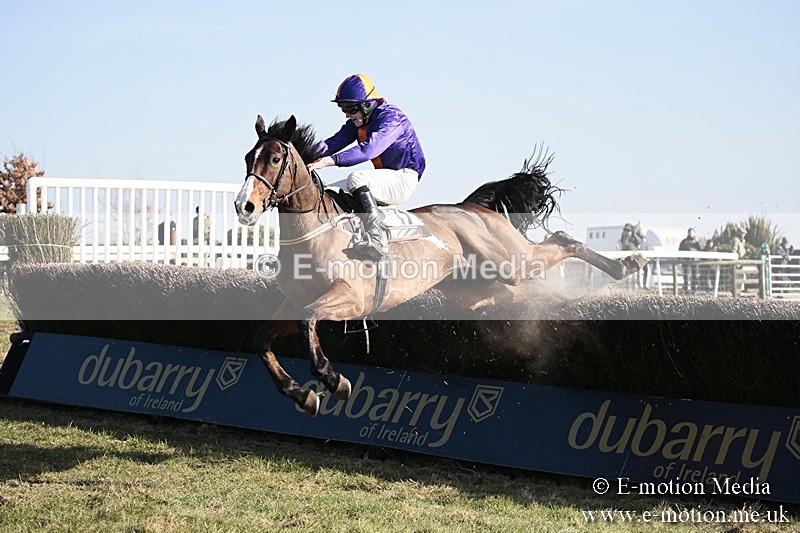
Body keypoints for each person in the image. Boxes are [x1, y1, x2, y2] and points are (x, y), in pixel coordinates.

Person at [307, 74, 426, 260]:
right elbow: (334, 142)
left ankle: (376, 241)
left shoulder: (392, 118)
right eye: (342, 108)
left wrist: (327, 161)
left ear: (367, 104)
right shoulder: (361, 119)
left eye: (350, 108)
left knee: (357, 178)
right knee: (328, 192)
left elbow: (368, 151)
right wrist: (302, 153)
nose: (347, 114)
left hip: (403, 178)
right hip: (384, 178)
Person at [678, 227, 702, 292]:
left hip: (694, 261)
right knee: (686, 276)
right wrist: (679, 259)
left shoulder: (696, 242)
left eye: (692, 232)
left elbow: (700, 250)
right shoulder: (684, 241)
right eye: (690, 232)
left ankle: (693, 289)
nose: (691, 233)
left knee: (694, 275)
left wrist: (697, 243)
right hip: (686, 261)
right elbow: (680, 250)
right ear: (688, 233)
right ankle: (686, 289)